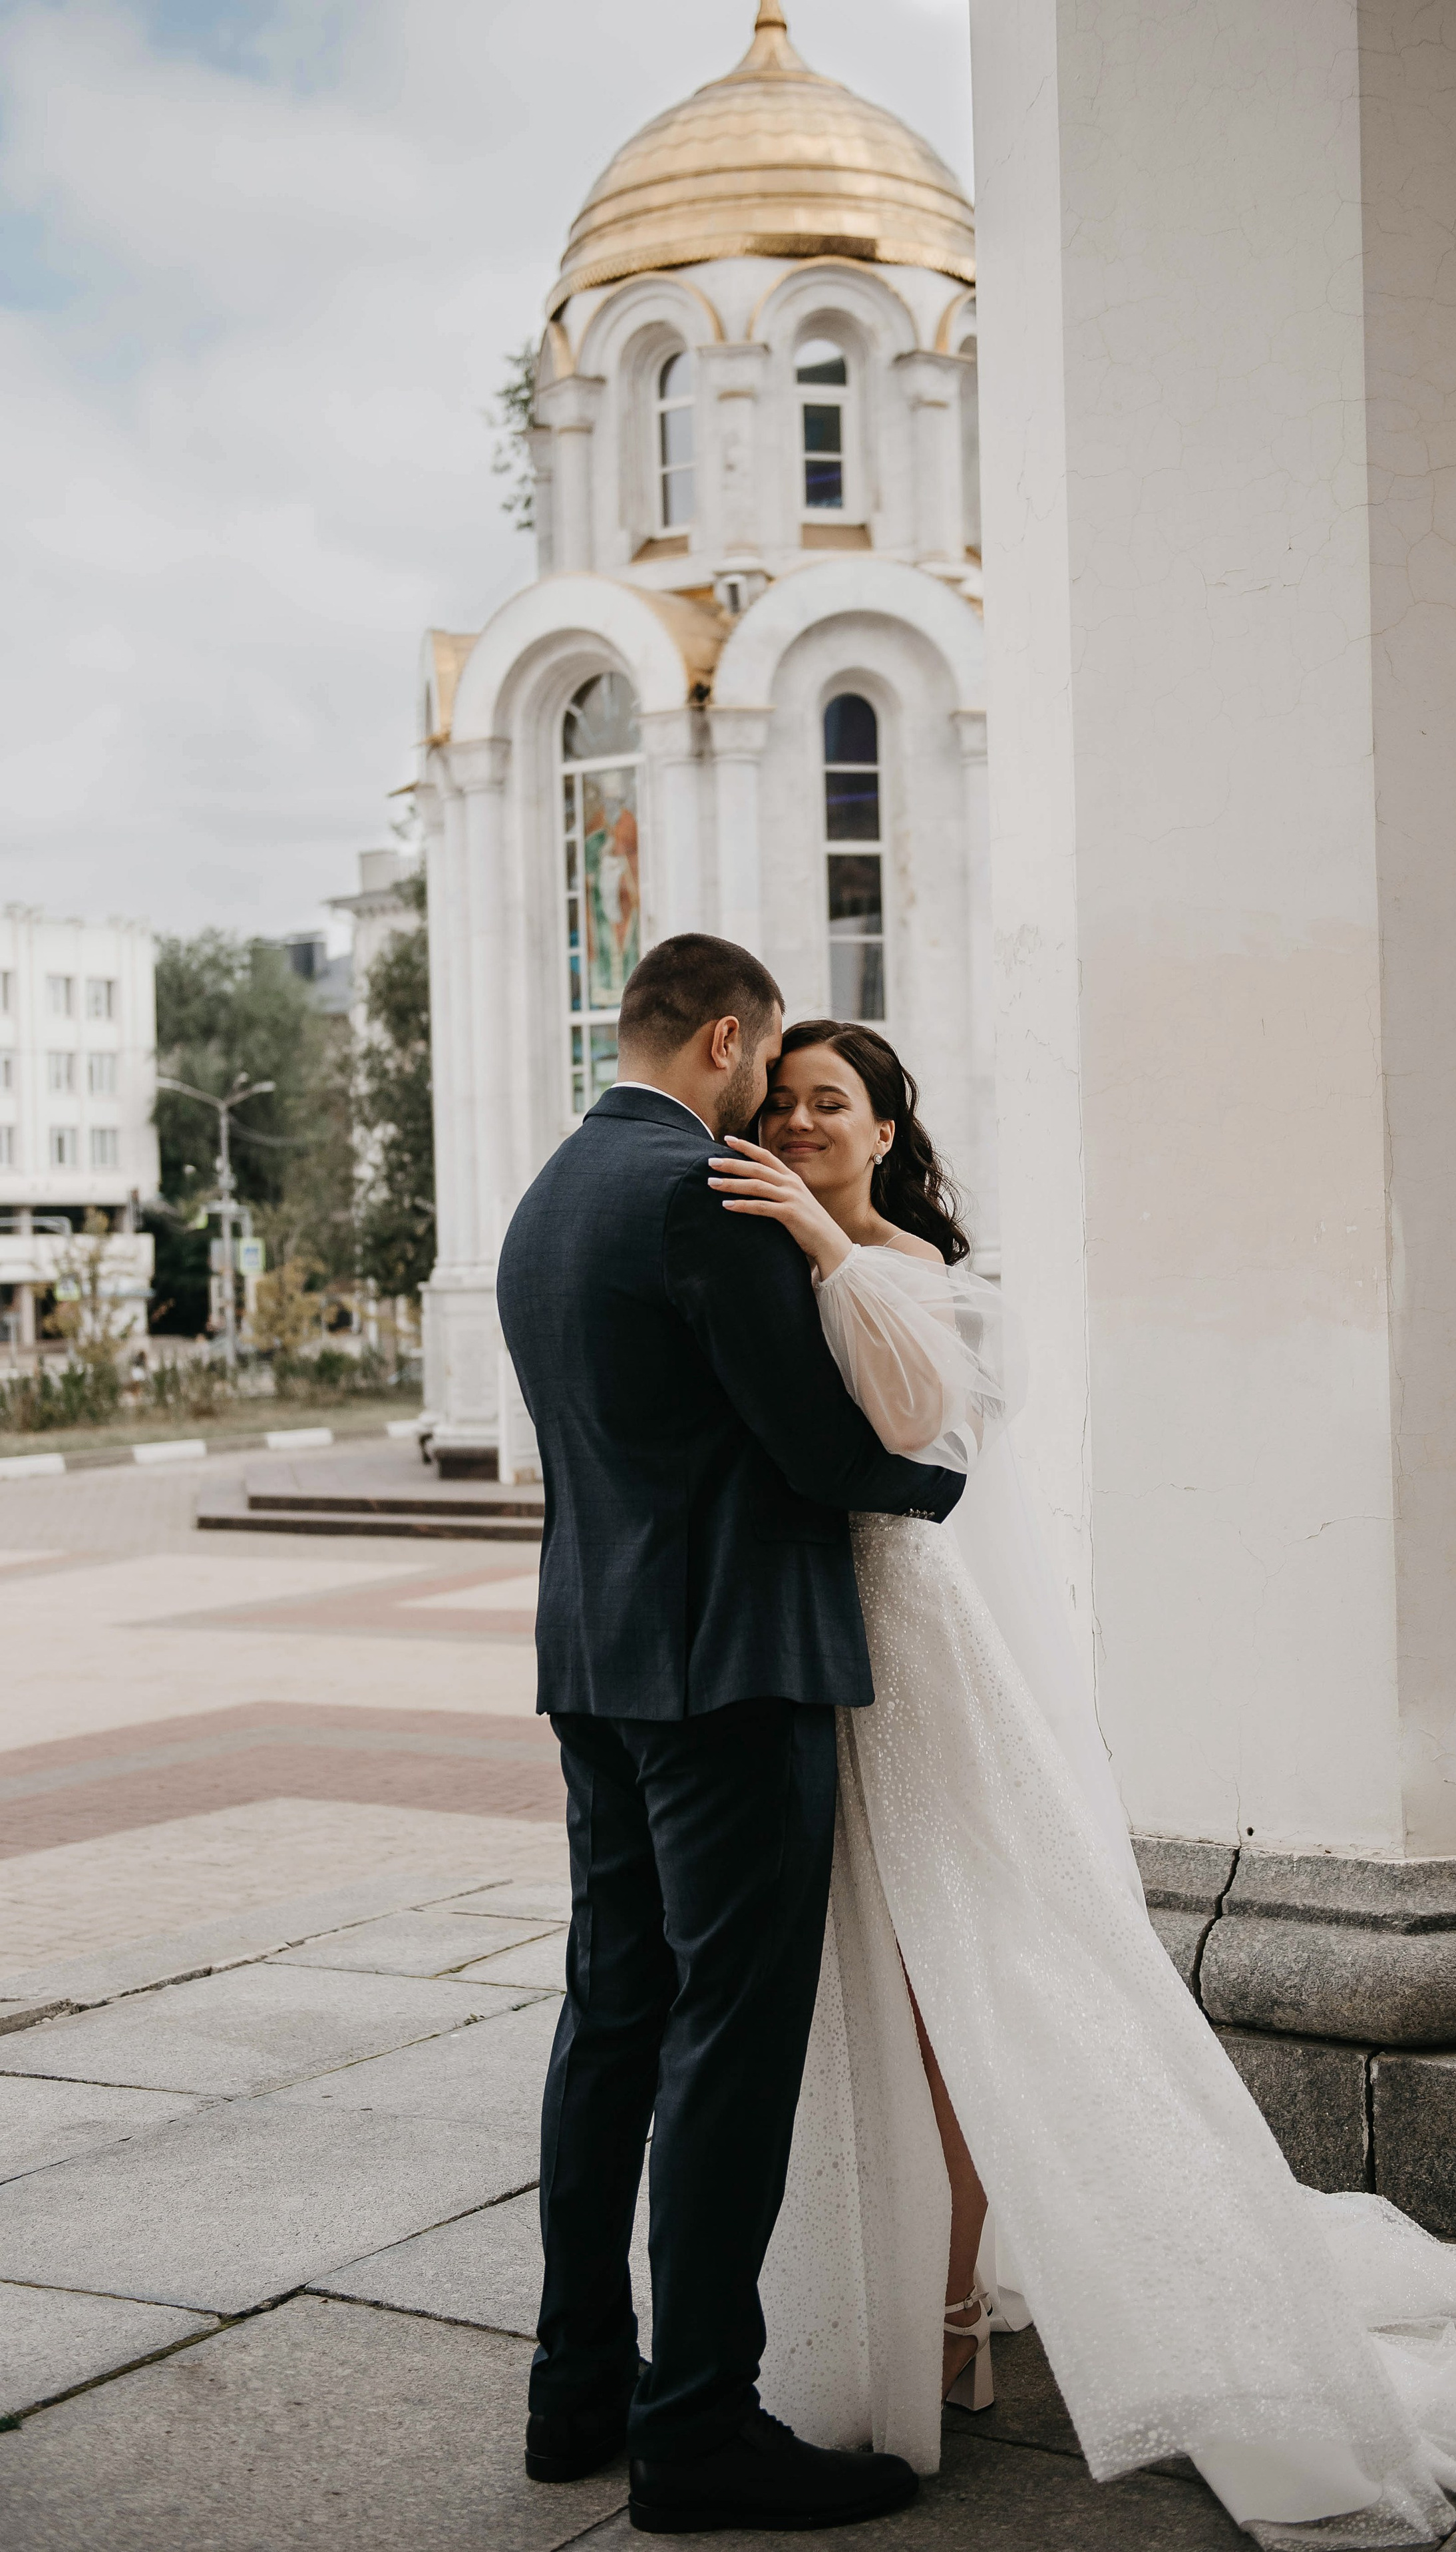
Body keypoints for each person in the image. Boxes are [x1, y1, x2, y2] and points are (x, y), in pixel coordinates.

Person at [703, 1018, 1456, 2547]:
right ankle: (860, 2298)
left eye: (827, 1103)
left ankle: (951, 2311)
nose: (795, 1125)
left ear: (885, 1130)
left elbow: (918, 1432)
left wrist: (824, 1247)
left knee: (964, 1991)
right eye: (777, 1103)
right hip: (796, 1654)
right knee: (851, 1995)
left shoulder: (922, 1273)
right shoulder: (763, 1267)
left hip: (910, 1653)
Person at [495, 936, 966, 2536]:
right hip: (732, 1670)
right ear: (720, 1040)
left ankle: (575, 2388)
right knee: (728, 2039)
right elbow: (817, 1446)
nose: (768, 1099)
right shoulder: (697, 1194)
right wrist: (945, 1482)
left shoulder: (547, 1195)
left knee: (609, 2016)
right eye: (763, 1066)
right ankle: (696, 2424)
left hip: (596, 1661)